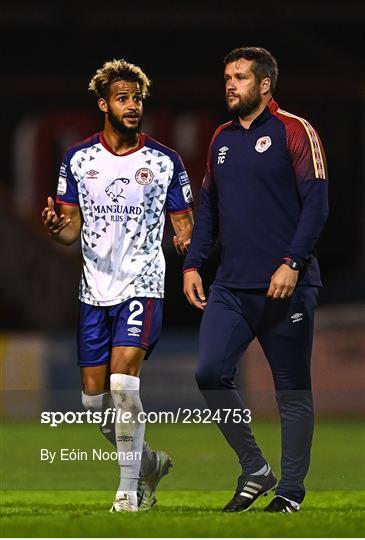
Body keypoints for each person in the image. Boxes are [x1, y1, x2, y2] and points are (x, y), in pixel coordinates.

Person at [42, 58, 194, 512]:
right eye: (124, 99)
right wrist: (57, 230)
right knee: (94, 403)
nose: (133, 106)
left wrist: (187, 240)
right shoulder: (79, 159)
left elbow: (184, 223)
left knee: (125, 386)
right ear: (104, 103)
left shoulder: (164, 161)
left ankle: (129, 492)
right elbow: (70, 229)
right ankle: (147, 462)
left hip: (142, 283)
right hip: (94, 290)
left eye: (138, 99)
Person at [183, 46, 328, 513]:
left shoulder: (295, 131)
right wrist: (192, 265)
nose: (230, 84)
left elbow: (317, 206)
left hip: (287, 286)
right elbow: (209, 209)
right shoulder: (221, 139)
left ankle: (290, 490)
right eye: (227, 76)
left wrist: (293, 262)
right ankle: (255, 468)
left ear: (265, 84)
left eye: (241, 77)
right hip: (230, 286)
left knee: (291, 389)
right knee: (209, 372)